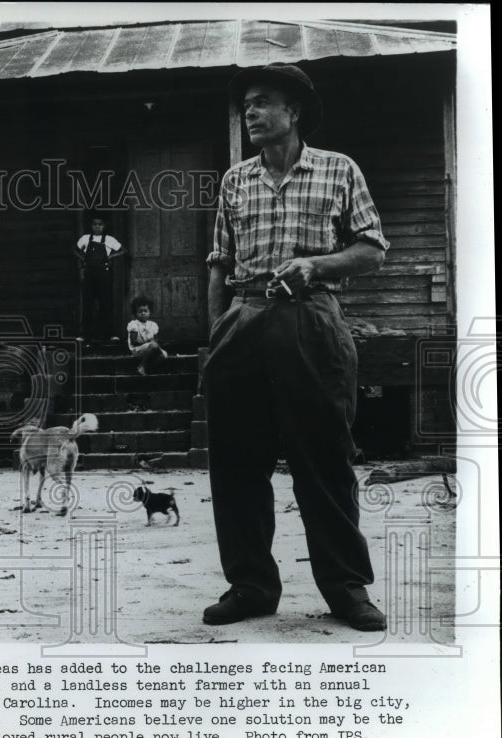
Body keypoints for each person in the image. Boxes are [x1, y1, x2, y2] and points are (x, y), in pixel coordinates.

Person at [202, 63, 390, 632]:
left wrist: (315, 264)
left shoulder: (338, 170)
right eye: (245, 107)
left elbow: (372, 249)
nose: (251, 114)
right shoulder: (235, 181)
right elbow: (218, 265)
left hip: (312, 321)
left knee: (324, 458)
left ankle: (346, 588)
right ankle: (251, 585)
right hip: (245, 319)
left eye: (261, 103)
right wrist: (218, 336)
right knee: (236, 462)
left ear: (294, 111)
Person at [75, 213, 126, 343]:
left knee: (106, 304)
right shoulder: (85, 238)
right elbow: (75, 250)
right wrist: (83, 259)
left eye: (100, 224)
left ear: (104, 226)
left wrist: (110, 257)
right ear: (91, 226)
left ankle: (111, 334)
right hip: (89, 276)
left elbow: (123, 250)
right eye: (95, 224)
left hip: (104, 275)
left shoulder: (109, 239)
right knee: (87, 304)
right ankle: (84, 334)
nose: (97, 227)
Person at [127, 295, 168, 375]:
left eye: (145, 311)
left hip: (149, 348)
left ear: (150, 312)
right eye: (140, 311)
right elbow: (133, 341)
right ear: (135, 313)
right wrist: (149, 344)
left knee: (164, 355)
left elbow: (156, 340)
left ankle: (147, 368)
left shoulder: (153, 325)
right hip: (138, 349)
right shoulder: (134, 324)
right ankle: (141, 366)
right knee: (154, 346)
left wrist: (153, 343)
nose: (143, 313)